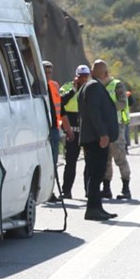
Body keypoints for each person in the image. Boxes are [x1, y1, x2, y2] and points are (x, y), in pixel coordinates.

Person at [77, 63, 120, 221]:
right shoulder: (94, 86)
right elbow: (94, 112)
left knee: (96, 173)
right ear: (106, 73)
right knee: (96, 173)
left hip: (92, 137)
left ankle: (96, 207)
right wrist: (103, 134)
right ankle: (93, 209)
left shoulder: (88, 85)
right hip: (95, 138)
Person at [93, 59, 132, 200]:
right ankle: (106, 188)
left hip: (117, 125)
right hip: (103, 127)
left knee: (119, 157)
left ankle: (126, 189)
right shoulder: (96, 86)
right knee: (106, 158)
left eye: (98, 75)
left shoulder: (117, 85)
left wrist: (106, 106)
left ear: (105, 73)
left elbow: (122, 103)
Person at [58, 64, 91, 199]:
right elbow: (60, 103)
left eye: (85, 76)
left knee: (90, 161)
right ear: (76, 76)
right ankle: (66, 191)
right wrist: (74, 90)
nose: (83, 79)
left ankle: (89, 190)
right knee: (71, 161)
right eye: (80, 77)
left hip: (87, 126)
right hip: (72, 127)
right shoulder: (66, 87)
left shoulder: (92, 88)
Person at [43, 61, 64, 201]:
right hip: (42, 131)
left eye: (50, 72)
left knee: (54, 161)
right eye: (45, 71)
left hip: (54, 129)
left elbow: (61, 107)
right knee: (46, 162)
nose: (48, 75)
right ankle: (46, 193)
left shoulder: (54, 86)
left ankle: (50, 192)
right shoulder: (35, 87)